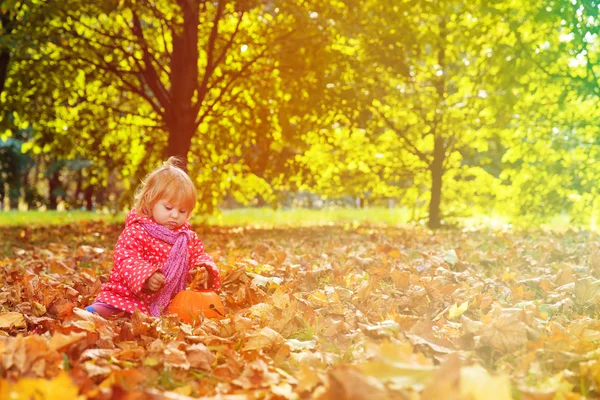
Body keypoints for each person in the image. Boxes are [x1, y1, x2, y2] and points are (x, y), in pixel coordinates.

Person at [86, 157, 221, 318]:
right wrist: (146, 276)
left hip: (169, 300)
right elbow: (126, 259)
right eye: (168, 207)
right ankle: (95, 313)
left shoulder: (187, 238)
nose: (175, 215)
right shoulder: (137, 230)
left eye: (183, 211)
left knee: (185, 313)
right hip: (129, 295)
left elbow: (199, 255)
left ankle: (156, 315)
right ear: (150, 202)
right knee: (111, 307)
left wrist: (203, 269)